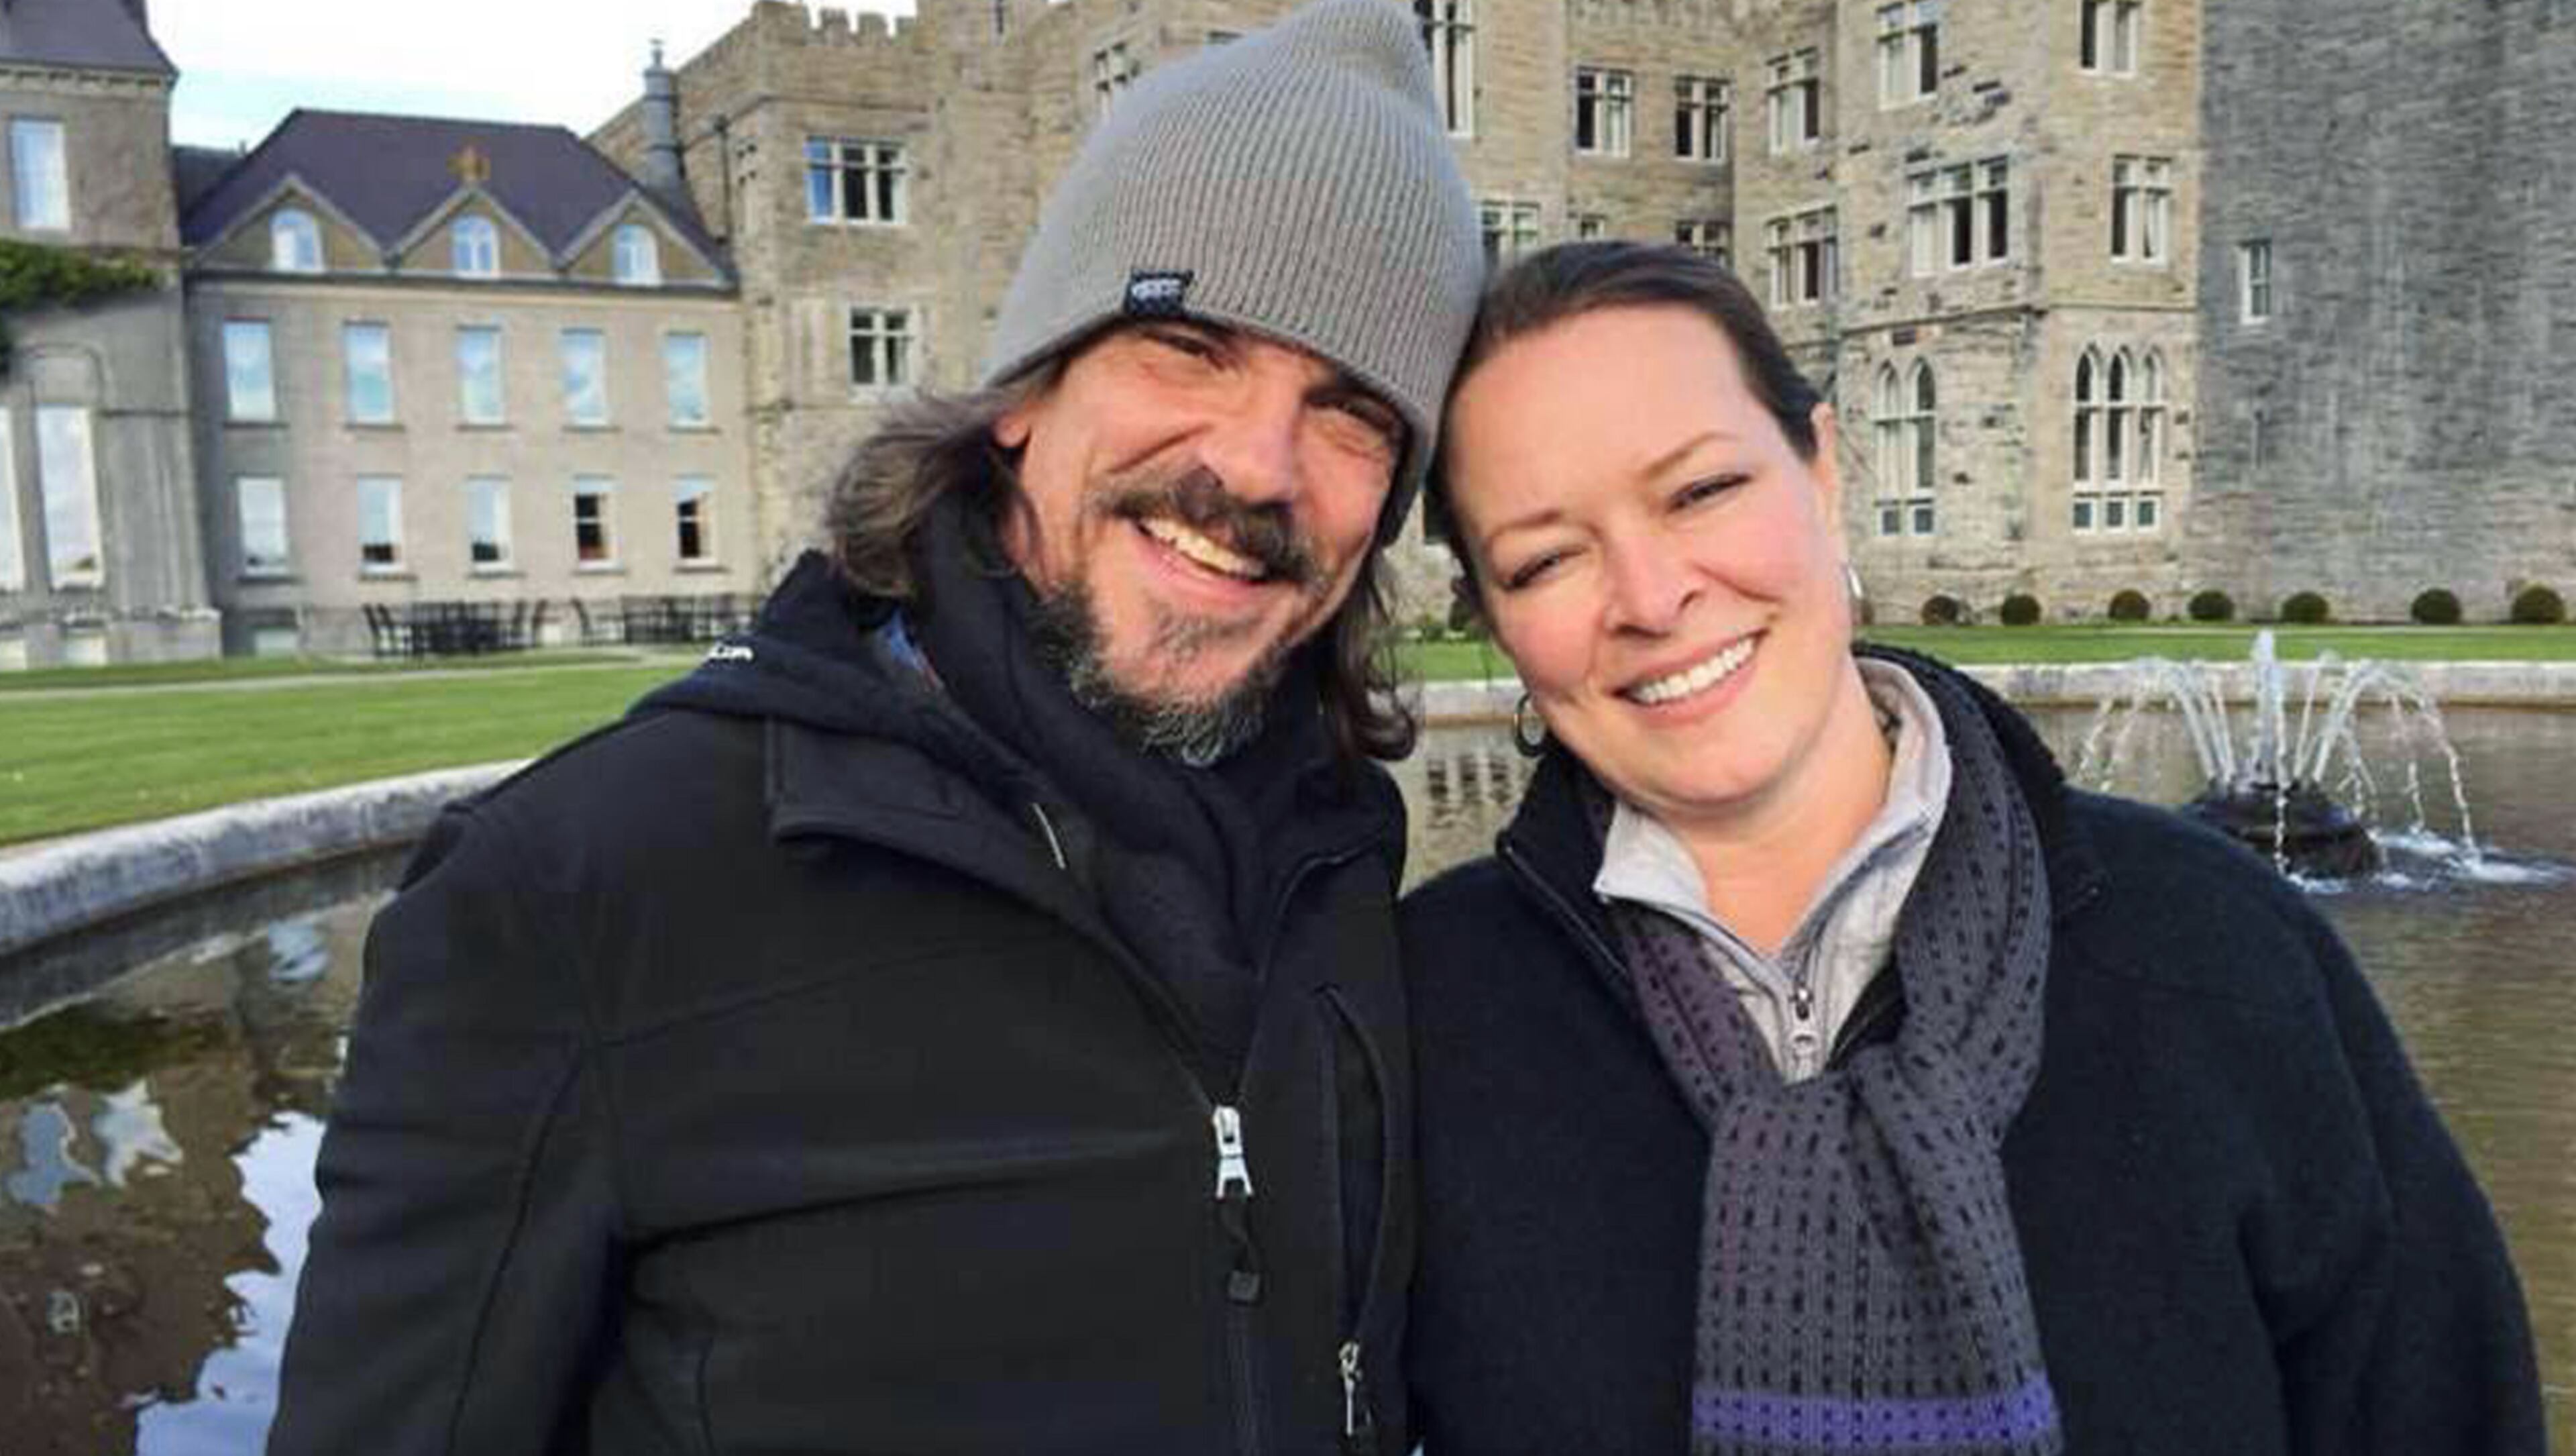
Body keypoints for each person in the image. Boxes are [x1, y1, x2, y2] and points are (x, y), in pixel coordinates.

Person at [266, 3, 1482, 1451]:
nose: (1256, 466)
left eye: (1349, 411)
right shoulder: (578, 890)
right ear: (1028, 391)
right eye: (1186, 344)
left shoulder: (1336, 856)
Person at [1399, 242, 2545, 1456]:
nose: (1648, 592)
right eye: (1544, 558)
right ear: (1490, 617)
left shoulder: (2216, 949)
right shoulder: (1422, 1016)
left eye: (1700, 492)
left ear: (1826, 469)